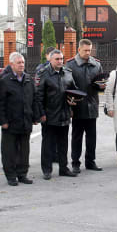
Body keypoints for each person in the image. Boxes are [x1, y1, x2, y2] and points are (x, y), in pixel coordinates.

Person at [0, 52, 39, 186]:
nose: (21, 65)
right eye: (18, 63)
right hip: (10, 123)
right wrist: (3, 121)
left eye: (23, 63)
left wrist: (36, 116)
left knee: (24, 151)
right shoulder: (5, 81)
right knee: (9, 151)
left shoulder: (28, 79)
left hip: (25, 121)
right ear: (11, 65)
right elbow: (0, 103)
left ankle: (22, 174)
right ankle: (11, 176)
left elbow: (34, 100)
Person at [37, 49, 78, 179]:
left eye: (61, 59)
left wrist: (73, 102)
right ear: (50, 59)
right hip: (49, 115)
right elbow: (38, 97)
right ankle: (47, 170)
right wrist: (41, 114)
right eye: (57, 59)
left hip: (64, 114)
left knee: (63, 144)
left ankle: (63, 168)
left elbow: (74, 91)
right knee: (48, 144)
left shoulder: (68, 73)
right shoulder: (43, 74)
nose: (60, 61)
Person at [66, 39, 105, 173]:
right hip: (77, 106)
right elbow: (66, 87)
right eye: (85, 50)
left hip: (92, 105)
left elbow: (101, 84)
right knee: (77, 136)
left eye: (90, 50)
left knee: (91, 136)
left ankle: (90, 161)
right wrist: (70, 106)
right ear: (79, 50)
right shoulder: (70, 65)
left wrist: (102, 86)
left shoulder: (96, 65)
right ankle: (75, 163)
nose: (88, 53)